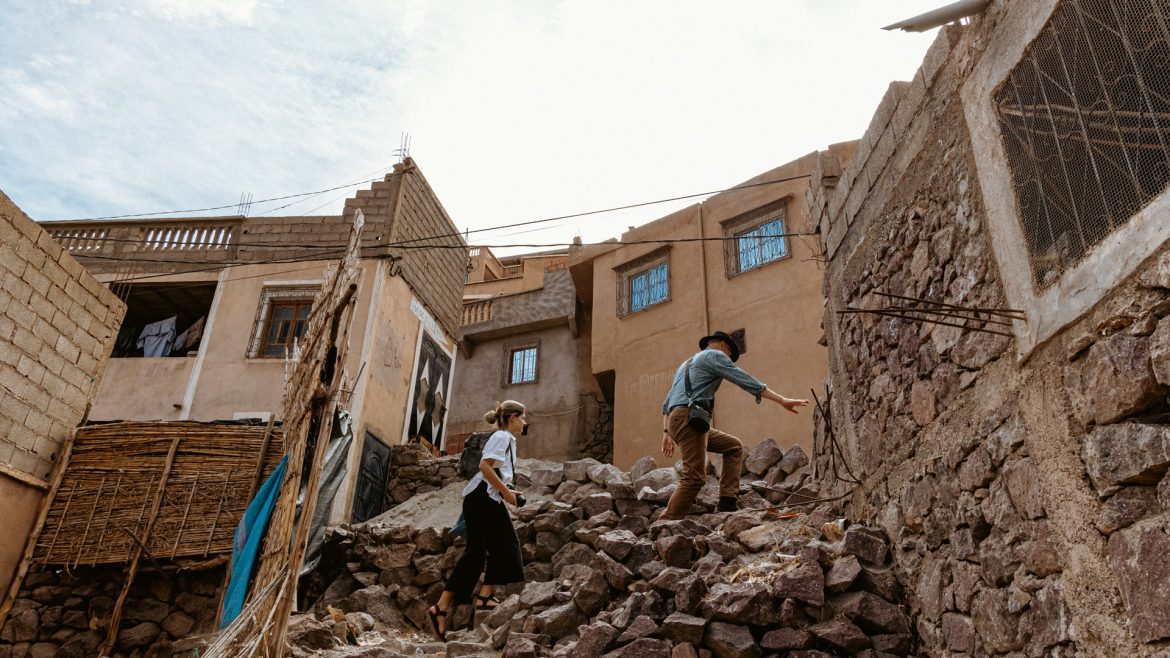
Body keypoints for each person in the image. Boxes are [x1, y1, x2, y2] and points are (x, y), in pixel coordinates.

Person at [658, 331, 809, 520]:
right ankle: (665, 522)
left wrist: (666, 432)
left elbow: (666, 403)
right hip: (689, 418)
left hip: (680, 419)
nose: (728, 360)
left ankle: (727, 503)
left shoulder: (685, 365)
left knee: (733, 446)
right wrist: (781, 400)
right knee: (694, 476)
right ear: (723, 346)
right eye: (730, 356)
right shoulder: (715, 355)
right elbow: (743, 379)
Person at [427, 401, 527, 640]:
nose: (525, 423)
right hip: (483, 497)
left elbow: (493, 471)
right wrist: (505, 492)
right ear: (512, 417)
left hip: (481, 497)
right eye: (523, 418)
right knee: (507, 545)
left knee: (476, 554)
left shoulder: (505, 440)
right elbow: (484, 466)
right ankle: (483, 596)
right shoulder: (502, 437)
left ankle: (441, 607)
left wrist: (509, 491)